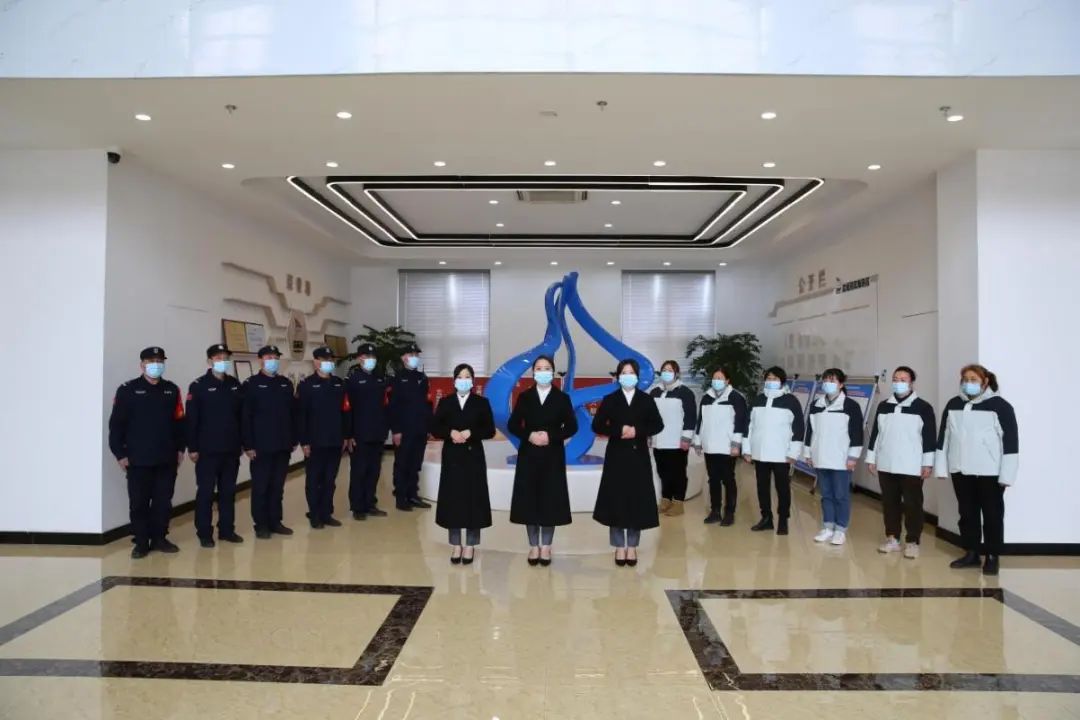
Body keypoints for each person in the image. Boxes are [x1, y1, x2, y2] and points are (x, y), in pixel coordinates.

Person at [936, 364, 1018, 576]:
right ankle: (971, 553)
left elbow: (1010, 443)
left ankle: (992, 556)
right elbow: (944, 436)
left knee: (992, 515)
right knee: (967, 514)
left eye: (973, 380)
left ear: (985, 381)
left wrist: (1007, 475)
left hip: (989, 472)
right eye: (965, 379)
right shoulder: (954, 404)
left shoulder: (1000, 406)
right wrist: (941, 467)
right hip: (961, 471)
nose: (968, 383)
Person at [108, 346, 186, 558]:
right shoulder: (127, 390)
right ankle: (141, 542)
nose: (156, 365)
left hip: (166, 458)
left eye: (160, 361)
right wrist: (120, 454)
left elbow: (180, 423)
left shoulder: (172, 390)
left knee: (163, 502)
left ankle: (159, 538)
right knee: (139, 503)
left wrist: (181, 448)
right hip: (137, 459)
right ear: (142, 365)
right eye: (151, 361)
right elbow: (116, 426)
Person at [592, 359, 664, 567]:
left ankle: (632, 546)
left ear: (637, 376)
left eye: (631, 373)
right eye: (624, 373)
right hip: (616, 456)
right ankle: (619, 546)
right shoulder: (610, 399)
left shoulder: (646, 400)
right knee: (616, 500)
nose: (628, 376)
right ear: (618, 376)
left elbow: (658, 424)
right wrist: (619, 430)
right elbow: (597, 425)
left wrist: (638, 431)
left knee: (636, 501)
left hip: (638, 456)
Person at [507, 355, 578, 566]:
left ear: (553, 372)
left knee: (550, 501)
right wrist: (529, 435)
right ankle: (533, 545)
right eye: (539, 368)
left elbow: (572, 426)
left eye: (547, 368)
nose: (543, 372)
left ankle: (546, 546)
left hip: (552, 455)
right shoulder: (525, 397)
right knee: (529, 501)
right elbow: (513, 425)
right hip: (529, 454)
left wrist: (551, 436)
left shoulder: (562, 398)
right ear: (533, 373)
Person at [866, 366, 936, 559]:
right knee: (890, 503)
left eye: (903, 379)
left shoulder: (923, 407)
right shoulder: (884, 406)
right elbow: (876, 434)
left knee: (913, 504)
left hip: (911, 465)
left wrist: (927, 464)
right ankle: (892, 538)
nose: (898, 382)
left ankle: (913, 541)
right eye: (895, 379)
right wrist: (871, 458)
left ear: (912, 383)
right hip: (886, 463)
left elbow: (929, 438)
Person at [431, 363, 495, 565]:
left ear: (473, 380)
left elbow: (490, 430)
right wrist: (450, 432)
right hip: (452, 456)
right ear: (454, 380)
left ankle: (470, 545)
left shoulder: (481, 403)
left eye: (467, 377)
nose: (463, 380)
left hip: (473, 456)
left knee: (474, 499)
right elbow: (435, 427)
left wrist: (471, 433)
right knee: (453, 500)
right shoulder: (446, 402)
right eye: (460, 376)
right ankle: (456, 544)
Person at [186, 343, 245, 548]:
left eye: (225, 358)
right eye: (218, 358)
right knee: (206, 493)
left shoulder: (234, 384)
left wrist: (243, 443)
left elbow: (241, 417)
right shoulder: (198, 386)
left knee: (228, 492)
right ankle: (204, 533)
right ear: (209, 361)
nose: (223, 361)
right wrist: (192, 447)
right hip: (207, 451)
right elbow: (192, 420)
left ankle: (227, 530)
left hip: (231, 449)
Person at [804, 368, 864, 546]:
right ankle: (828, 527)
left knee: (841, 495)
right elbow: (810, 431)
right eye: (825, 380)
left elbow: (857, 434)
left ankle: (840, 529)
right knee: (826, 495)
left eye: (832, 380)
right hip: (820, 456)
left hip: (841, 459)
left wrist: (853, 457)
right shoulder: (816, 404)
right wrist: (808, 453)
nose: (828, 384)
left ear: (841, 384)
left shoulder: (851, 406)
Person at [242, 345, 296, 539]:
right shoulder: (251, 384)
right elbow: (245, 417)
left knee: (277, 486)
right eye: (268, 357)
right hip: (261, 445)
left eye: (275, 357)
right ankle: (261, 524)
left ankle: (275, 521)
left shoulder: (285, 384)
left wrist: (293, 439)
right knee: (261, 487)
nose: (272, 360)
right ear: (260, 360)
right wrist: (248, 445)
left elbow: (292, 414)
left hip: (283, 444)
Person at [742, 366, 804, 535]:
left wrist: (793, 453)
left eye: (775, 379)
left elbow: (798, 428)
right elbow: (748, 425)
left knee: (782, 488)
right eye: (768, 378)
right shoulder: (758, 399)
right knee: (762, 487)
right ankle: (766, 518)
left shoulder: (791, 401)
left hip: (781, 454)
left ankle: (783, 519)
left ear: (782, 381)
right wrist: (747, 449)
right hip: (760, 452)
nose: (771, 381)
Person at [296, 346, 351, 529]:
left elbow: (345, 412)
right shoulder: (306, 385)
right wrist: (304, 441)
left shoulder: (338, 383)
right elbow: (301, 416)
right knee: (314, 480)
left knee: (329, 480)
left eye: (330, 359)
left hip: (335, 440)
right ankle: (315, 515)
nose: (328, 362)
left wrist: (346, 436)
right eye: (323, 359)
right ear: (316, 362)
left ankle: (327, 513)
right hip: (315, 441)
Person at [693, 366, 748, 526]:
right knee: (713, 479)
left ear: (727, 380)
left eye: (720, 378)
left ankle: (729, 513)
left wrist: (736, 444)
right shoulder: (706, 397)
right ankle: (715, 511)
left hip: (727, 447)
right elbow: (700, 421)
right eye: (714, 378)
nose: (716, 381)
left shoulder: (736, 397)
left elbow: (741, 422)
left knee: (728, 479)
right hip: (710, 445)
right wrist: (698, 441)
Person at [346, 343, 390, 520]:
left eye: (373, 357)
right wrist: (349, 434)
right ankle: (357, 507)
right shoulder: (352, 380)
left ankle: (370, 503)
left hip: (377, 434)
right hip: (360, 435)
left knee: (374, 471)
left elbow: (385, 406)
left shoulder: (379, 379)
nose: (370, 360)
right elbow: (348, 409)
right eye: (366, 356)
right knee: (359, 472)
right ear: (359, 358)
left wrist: (385, 430)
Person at [649, 360, 697, 517]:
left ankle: (678, 502)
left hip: (677, 442)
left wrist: (686, 438)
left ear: (677, 373)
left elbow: (690, 417)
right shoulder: (655, 392)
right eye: (664, 370)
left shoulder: (685, 392)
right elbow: (650, 416)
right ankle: (666, 499)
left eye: (670, 370)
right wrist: (649, 435)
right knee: (662, 472)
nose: (666, 373)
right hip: (658, 440)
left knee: (678, 473)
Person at [389, 342, 433, 511]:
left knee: (415, 463)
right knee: (402, 463)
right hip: (404, 429)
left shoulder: (422, 378)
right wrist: (396, 430)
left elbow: (427, 404)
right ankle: (401, 497)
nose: (414, 357)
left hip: (420, 428)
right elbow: (393, 407)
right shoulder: (397, 379)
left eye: (416, 355)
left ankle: (413, 494)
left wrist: (429, 427)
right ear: (403, 357)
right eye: (411, 354)